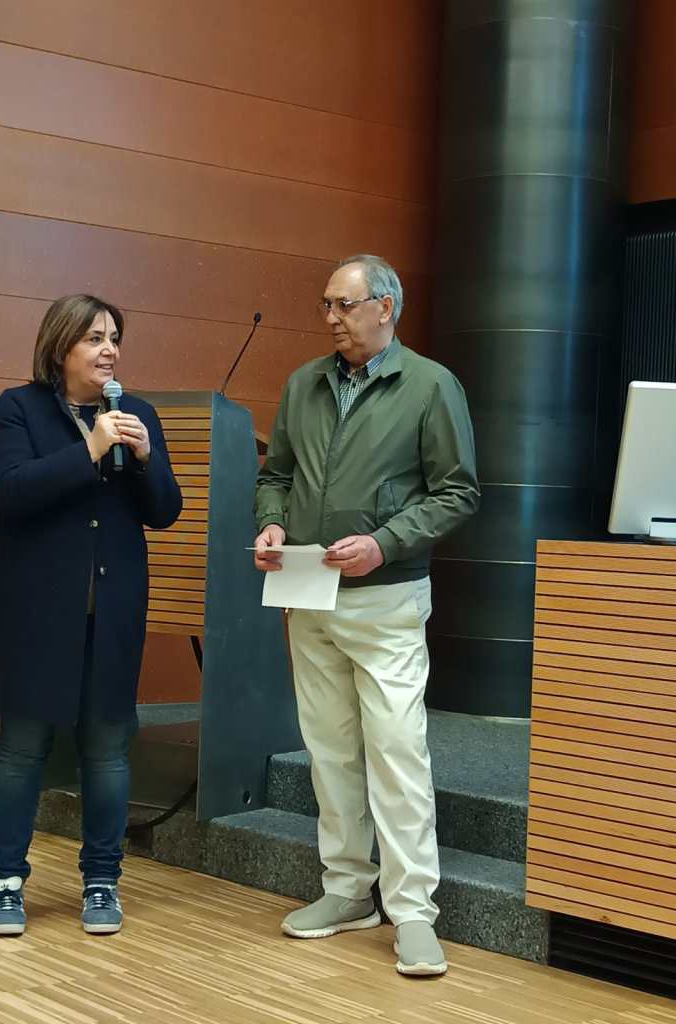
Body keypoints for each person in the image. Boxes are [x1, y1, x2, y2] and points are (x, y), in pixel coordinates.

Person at [253, 255, 479, 976]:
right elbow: (276, 475)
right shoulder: (304, 384)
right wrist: (272, 522)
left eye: (344, 305)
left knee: (397, 754)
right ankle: (348, 892)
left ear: (385, 308)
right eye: (326, 304)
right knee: (329, 752)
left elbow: (457, 492)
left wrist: (384, 543)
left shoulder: (431, 385)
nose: (331, 318)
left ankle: (413, 914)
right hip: (308, 591)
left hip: (387, 598)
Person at [0, 294, 181, 937]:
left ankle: (102, 880)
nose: (109, 349)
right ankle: (5, 885)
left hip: (112, 612)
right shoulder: (18, 408)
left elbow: (164, 511)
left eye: (114, 337)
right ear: (60, 345)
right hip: (33, 613)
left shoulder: (136, 413)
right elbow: (13, 491)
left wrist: (146, 460)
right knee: (22, 749)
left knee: (107, 750)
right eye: (94, 338)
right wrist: (90, 448)